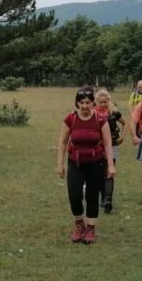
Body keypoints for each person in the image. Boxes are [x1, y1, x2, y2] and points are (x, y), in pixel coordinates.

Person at [57, 87, 115, 244]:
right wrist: (60, 164)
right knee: (74, 195)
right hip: (75, 163)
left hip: (96, 162)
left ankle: (90, 228)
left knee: (92, 196)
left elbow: (108, 143)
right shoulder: (70, 119)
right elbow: (62, 143)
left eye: (88, 102)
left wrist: (111, 165)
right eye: (81, 102)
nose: (84, 106)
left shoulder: (100, 119)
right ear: (77, 103)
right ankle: (79, 224)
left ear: (92, 103)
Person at [94, 88, 125, 213]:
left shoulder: (114, 113)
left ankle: (108, 200)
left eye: (105, 102)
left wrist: (122, 137)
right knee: (100, 172)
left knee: (109, 171)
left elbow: (125, 123)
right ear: (96, 102)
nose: (103, 104)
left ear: (109, 101)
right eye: (100, 102)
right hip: (98, 146)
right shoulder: (93, 114)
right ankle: (103, 197)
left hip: (113, 145)